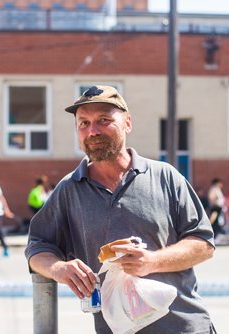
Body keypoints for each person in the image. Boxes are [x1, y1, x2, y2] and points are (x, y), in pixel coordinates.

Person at [25, 85, 216, 333]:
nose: (92, 131)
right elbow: (38, 246)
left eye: (103, 120)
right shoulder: (69, 189)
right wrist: (58, 268)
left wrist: (153, 261)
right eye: (83, 123)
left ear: (127, 122)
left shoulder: (165, 177)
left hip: (185, 327)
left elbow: (203, 244)